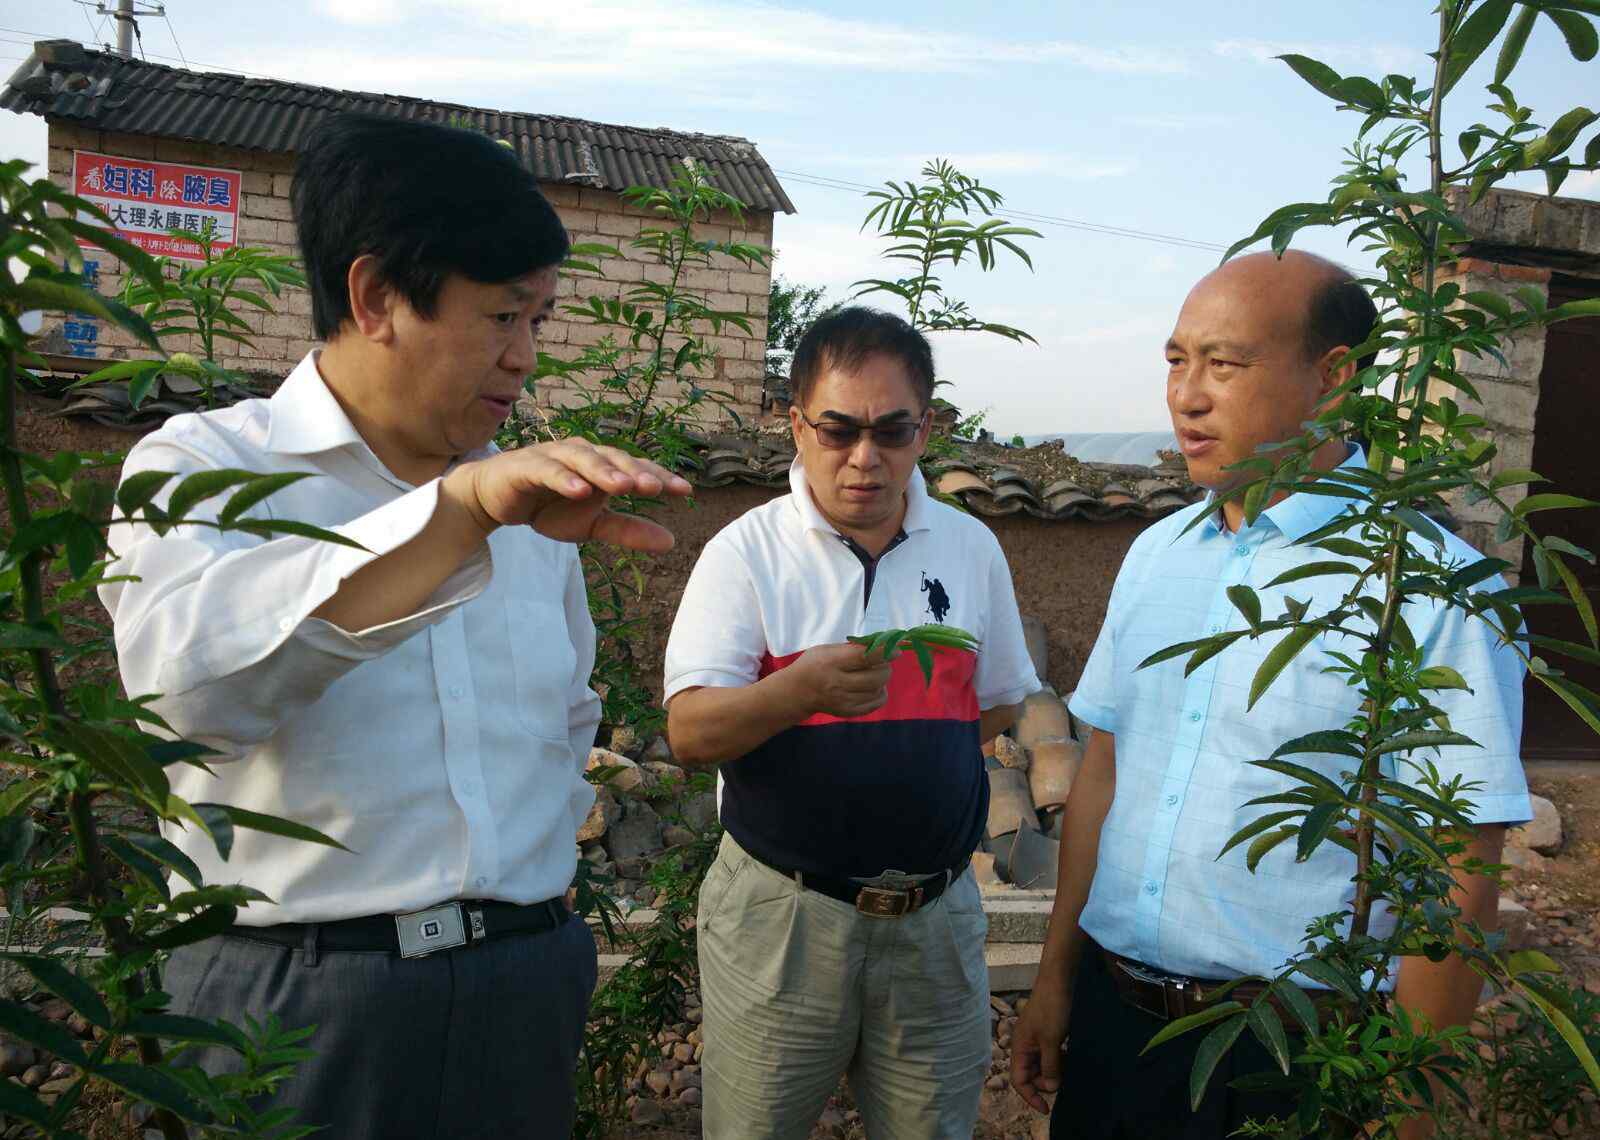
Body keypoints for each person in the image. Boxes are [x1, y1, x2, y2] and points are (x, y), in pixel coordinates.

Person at [100, 113, 691, 1139]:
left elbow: (564, 719)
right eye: (504, 317)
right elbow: (187, 700)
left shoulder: (526, 504)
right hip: (295, 1001)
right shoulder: (202, 471)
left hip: (521, 982)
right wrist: (451, 521)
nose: (525, 359)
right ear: (375, 297)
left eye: (539, 321)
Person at [1009, 251, 1531, 1139]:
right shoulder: (1156, 556)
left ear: (1333, 378)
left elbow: (1457, 857)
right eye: (1177, 361)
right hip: (1115, 1023)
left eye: (1226, 364)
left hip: (1294, 1050)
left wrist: (1405, 1106)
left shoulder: (1426, 585)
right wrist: (1056, 979)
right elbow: (1105, 770)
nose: (1187, 396)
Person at [663, 306, 1040, 1139]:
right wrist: (797, 694)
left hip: (937, 920)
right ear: (795, 425)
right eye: (837, 431)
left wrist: (907, 753)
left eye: (892, 431)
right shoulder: (746, 553)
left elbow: (1003, 698)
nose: (865, 458)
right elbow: (691, 733)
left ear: (924, 429)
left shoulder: (971, 549)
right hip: (784, 921)